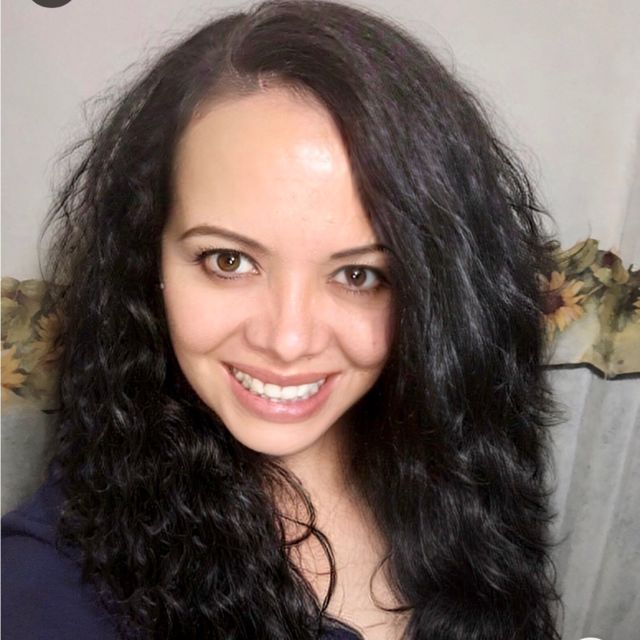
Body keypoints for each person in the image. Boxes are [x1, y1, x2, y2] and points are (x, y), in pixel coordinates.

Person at [1, 1, 562, 638]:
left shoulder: (458, 466)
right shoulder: (44, 583)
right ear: (146, 257)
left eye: (359, 275)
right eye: (229, 260)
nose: (287, 340)